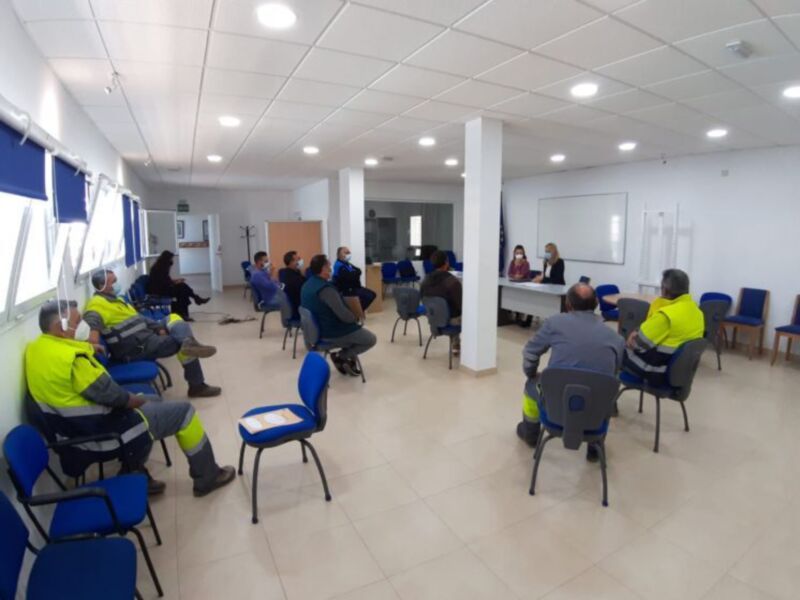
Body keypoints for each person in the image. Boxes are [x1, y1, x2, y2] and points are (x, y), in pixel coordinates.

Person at [26, 300, 236, 496]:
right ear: (61, 328)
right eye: (77, 321)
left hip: (73, 431)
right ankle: (207, 477)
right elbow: (116, 397)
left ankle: (134, 471)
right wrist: (139, 400)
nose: (83, 325)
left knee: (156, 401)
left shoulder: (37, 349)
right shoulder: (75, 362)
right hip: (104, 432)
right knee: (184, 413)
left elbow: (65, 367)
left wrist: (89, 346)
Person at [518, 283, 625, 461]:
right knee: (606, 391)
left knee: (531, 385)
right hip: (595, 411)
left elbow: (530, 353)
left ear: (568, 304)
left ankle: (531, 434)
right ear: (596, 303)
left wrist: (531, 373)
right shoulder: (616, 339)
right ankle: (595, 447)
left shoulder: (554, 323)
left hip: (555, 406)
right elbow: (615, 375)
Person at [83, 269, 222, 398]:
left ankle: (187, 342)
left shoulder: (116, 300)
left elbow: (139, 318)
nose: (117, 284)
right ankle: (196, 385)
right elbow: (92, 334)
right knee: (180, 344)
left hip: (146, 336)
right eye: (113, 282)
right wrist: (94, 346)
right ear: (101, 285)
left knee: (174, 317)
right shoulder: (95, 306)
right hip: (135, 348)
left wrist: (157, 327)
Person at [622, 268, 705, 388]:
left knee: (615, 350)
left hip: (658, 372)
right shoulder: (697, 312)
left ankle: (605, 396)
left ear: (665, 290)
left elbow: (637, 344)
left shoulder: (666, 316)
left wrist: (631, 339)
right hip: (680, 373)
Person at [301, 254, 377, 376]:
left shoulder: (307, 285)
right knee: (370, 339)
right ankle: (341, 356)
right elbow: (344, 315)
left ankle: (345, 358)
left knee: (356, 332)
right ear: (324, 268)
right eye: (329, 266)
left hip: (315, 331)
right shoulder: (326, 290)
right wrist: (355, 318)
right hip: (331, 332)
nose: (331, 269)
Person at [420, 250, 462, 354]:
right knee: (464, 314)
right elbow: (460, 304)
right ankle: (456, 346)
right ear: (446, 262)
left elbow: (423, 299)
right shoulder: (452, 281)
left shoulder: (425, 281)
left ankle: (455, 344)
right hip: (450, 321)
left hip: (433, 318)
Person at [147, 250, 209, 321]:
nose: (172, 261)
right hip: (158, 291)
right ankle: (193, 303)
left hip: (161, 288)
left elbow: (166, 281)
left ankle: (186, 310)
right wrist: (175, 282)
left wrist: (176, 281)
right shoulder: (159, 269)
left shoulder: (160, 266)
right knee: (182, 289)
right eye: (171, 259)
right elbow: (164, 283)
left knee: (182, 287)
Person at [332, 246, 376, 312]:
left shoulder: (347, 264)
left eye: (349, 252)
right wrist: (355, 273)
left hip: (354, 288)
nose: (348, 254)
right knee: (369, 296)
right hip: (347, 290)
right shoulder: (339, 265)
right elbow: (350, 277)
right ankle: (356, 312)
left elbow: (359, 270)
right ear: (339, 255)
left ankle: (357, 311)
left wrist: (354, 273)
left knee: (372, 294)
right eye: (346, 252)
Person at [508, 244, 533, 327]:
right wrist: (515, 274)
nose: (519, 254)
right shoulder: (512, 262)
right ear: (514, 253)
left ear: (523, 254)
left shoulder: (526, 263)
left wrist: (517, 267)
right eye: (517, 253)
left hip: (524, 285)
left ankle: (520, 316)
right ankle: (513, 315)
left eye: (521, 253)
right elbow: (509, 273)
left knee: (520, 297)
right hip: (514, 284)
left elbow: (521, 275)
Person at [279, 250, 305, 318]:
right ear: (291, 262)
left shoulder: (284, 273)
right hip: (297, 310)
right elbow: (305, 290)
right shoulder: (293, 277)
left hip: (291, 309)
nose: (300, 261)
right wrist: (303, 274)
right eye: (298, 259)